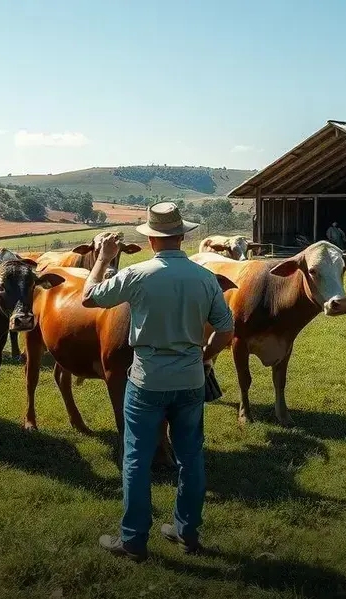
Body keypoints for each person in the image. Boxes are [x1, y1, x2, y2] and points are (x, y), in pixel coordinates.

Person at [82, 202, 235, 561]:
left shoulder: (137, 275)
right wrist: (205, 355)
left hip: (147, 380)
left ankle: (134, 540)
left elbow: (88, 297)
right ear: (182, 236)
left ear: (151, 240)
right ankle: (187, 532)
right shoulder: (205, 278)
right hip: (191, 379)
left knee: (136, 457)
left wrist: (103, 258)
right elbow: (226, 329)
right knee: (191, 457)